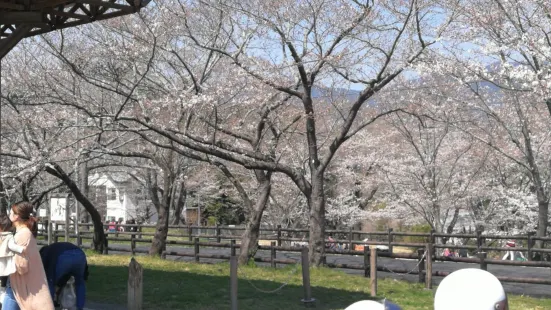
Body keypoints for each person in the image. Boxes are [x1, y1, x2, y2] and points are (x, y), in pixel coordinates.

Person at [3, 201, 54, 310]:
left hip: (21, 284)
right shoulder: (22, 232)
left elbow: (22, 267)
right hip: (18, 284)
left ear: (16, 217)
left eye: (11, 212)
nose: (9, 214)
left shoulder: (23, 234)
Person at [39, 242, 88, 310]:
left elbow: (45, 271)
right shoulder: (53, 248)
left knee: (51, 282)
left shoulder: (45, 253)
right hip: (80, 255)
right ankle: (80, 307)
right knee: (80, 283)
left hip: (63, 257)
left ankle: (49, 307)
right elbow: (66, 276)